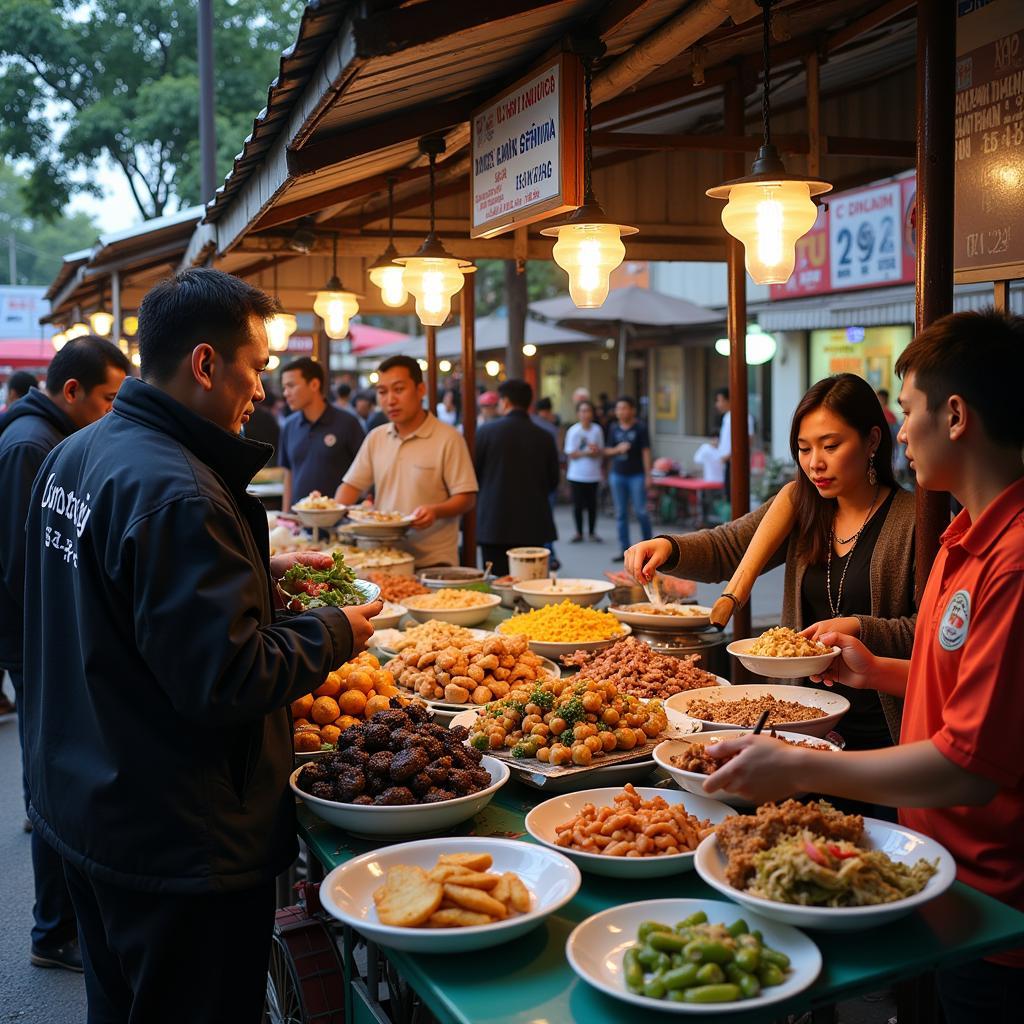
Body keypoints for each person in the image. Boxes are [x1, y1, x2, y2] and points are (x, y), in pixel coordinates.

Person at [20, 268, 382, 1023]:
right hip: (176, 839)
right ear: (206, 364)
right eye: (254, 370)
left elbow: (108, 599)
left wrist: (253, 572)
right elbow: (227, 678)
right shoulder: (177, 491)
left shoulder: (78, 453)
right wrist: (334, 629)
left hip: (88, 805)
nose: (261, 392)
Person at [698, 311, 1024, 1023]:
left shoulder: (1012, 558)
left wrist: (801, 766)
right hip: (934, 869)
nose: (904, 429)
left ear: (957, 415)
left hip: (999, 906)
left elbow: (969, 764)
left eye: (907, 411)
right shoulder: (966, 537)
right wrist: (875, 670)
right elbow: (963, 689)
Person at [627, 373, 917, 760]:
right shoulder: (802, 506)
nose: (815, 463)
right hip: (803, 722)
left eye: (831, 445)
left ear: (873, 441)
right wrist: (669, 546)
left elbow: (925, 631)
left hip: (885, 731)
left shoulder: (913, 521)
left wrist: (859, 627)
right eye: (803, 448)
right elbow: (729, 547)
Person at [0, 335, 130, 973]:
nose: (114, 412)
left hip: (40, 635)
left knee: (54, 774)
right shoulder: (32, 447)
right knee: (51, 781)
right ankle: (54, 931)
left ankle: (62, 926)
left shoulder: (48, 440)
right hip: (35, 638)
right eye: (108, 397)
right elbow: (25, 565)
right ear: (71, 390)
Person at [337, 356, 477, 568]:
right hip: (384, 558)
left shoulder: (448, 438)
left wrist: (435, 510)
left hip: (433, 563)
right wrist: (331, 512)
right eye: (382, 392)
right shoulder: (376, 437)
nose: (390, 400)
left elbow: (466, 497)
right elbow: (351, 486)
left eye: (399, 389)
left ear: (421, 390)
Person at [474, 379, 559, 576]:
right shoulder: (544, 436)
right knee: (530, 584)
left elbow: (473, 475)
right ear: (529, 403)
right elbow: (553, 480)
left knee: (496, 583)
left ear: (504, 402)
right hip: (533, 522)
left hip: (494, 522)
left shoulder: (486, 432)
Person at [278, 356, 364, 510]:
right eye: (284, 387)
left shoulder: (348, 423)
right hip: (299, 523)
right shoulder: (289, 425)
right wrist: (287, 515)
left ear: (314, 384)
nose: (286, 393)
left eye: (291, 386)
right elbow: (288, 474)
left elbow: (365, 472)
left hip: (339, 523)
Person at [606, 395, 652, 560]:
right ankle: (625, 550)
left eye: (625, 408)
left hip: (637, 475)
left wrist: (648, 475)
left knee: (641, 512)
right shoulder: (613, 428)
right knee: (621, 514)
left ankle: (650, 548)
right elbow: (607, 450)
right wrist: (617, 449)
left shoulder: (640, 427)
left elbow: (646, 451)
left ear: (632, 410)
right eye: (619, 408)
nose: (621, 411)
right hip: (617, 475)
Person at [564, 399, 604, 543]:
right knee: (578, 505)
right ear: (578, 414)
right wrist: (587, 453)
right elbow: (570, 453)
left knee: (593, 505)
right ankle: (579, 532)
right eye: (582, 411)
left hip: (593, 474)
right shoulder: (573, 431)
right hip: (576, 474)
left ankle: (592, 532)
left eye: (588, 411)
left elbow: (601, 450)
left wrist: (595, 452)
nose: (585, 414)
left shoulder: (597, 430)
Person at [531, 397, 562, 570]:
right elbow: (555, 458)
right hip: (546, 481)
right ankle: (550, 556)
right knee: (546, 518)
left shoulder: (531, 425)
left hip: (531, 481)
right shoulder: (550, 429)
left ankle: (548, 556)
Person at [714, 386, 754, 497]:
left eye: (719, 400)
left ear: (729, 400)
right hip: (728, 462)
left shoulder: (743, 415)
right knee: (729, 494)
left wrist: (729, 455)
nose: (717, 404)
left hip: (736, 462)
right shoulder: (726, 417)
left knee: (737, 495)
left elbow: (748, 440)